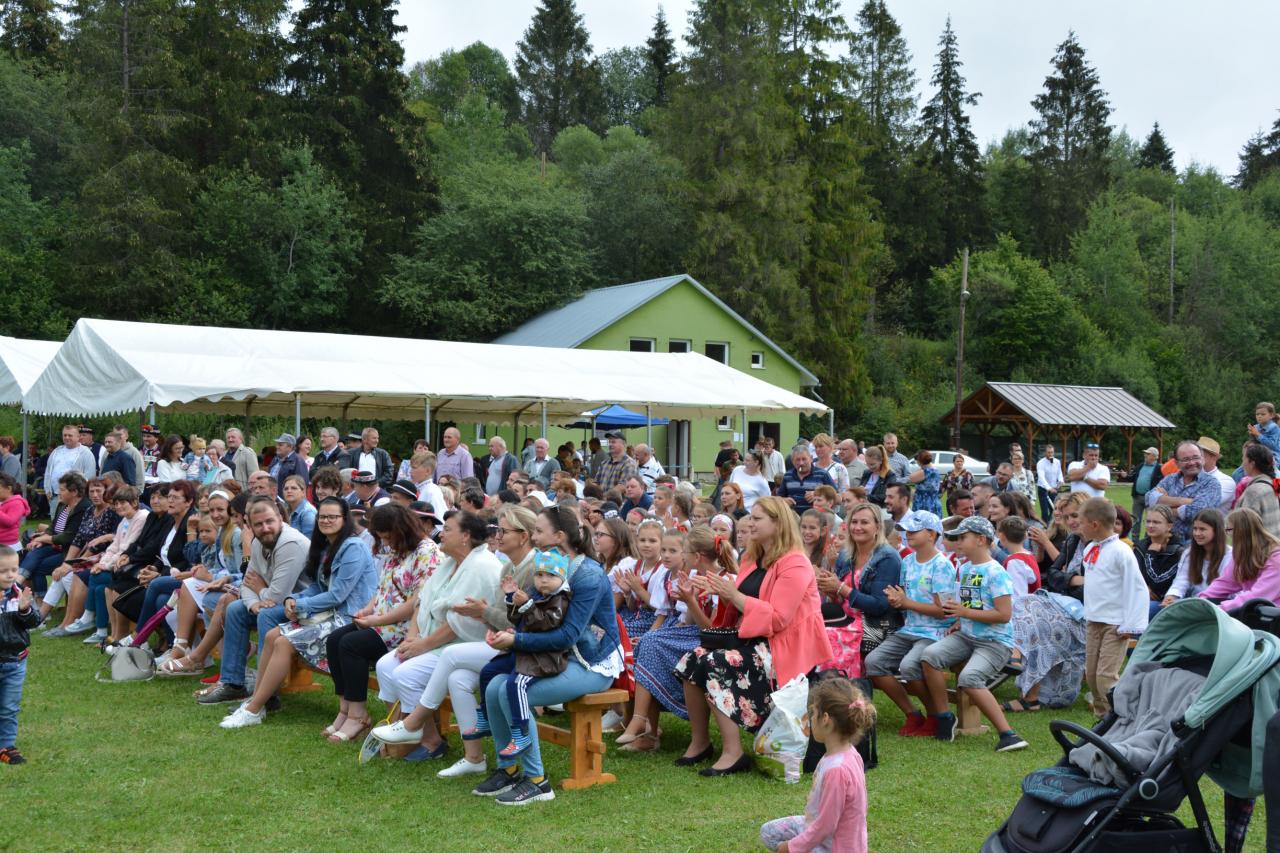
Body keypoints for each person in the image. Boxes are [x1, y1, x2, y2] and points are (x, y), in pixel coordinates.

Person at [470, 505, 622, 803]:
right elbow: (530, 615)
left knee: (511, 693)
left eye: (539, 531)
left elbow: (568, 635)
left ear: (560, 536)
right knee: (494, 687)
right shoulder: (547, 565)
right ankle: (508, 769)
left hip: (591, 664)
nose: (534, 536)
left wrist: (516, 641)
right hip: (558, 656)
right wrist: (507, 632)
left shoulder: (588, 575)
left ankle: (538, 782)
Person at [676, 497, 832, 775]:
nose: (750, 522)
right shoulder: (752, 557)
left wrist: (732, 594)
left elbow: (778, 618)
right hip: (753, 640)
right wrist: (719, 592)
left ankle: (733, 753)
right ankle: (700, 742)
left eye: (757, 518)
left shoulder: (796, 563)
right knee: (693, 658)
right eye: (750, 517)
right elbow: (743, 603)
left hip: (783, 649)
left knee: (714, 663)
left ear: (778, 523)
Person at [219, 497, 377, 728]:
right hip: (329, 615)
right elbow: (318, 587)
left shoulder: (353, 547)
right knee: (272, 635)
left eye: (333, 517)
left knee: (283, 642)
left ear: (345, 520)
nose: (326, 521)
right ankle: (256, 702)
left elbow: (338, 595)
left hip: (350, 619)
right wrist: (294, 599)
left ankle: (254, 709)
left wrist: (301, 606)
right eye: (322, 516)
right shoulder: (325, 546)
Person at [370, 511, 501, 761]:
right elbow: (422, 600)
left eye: (448, 529)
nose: (441, 534)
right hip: (433, 639)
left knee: (406, 674)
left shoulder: (482, 567)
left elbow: (459, 622)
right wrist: (412, 638)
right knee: (385, 666)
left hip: (464, 643)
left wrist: (423, 645)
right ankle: (409, 735)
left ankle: (426, 739)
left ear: (466, 536)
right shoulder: (450, 562)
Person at [317, 504, 438, 741]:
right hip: (383, 622)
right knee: (335, 640)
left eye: (388, 537)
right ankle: (345, 709)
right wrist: (368, 609)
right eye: (382, 538)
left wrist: (378, 619)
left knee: (351, 645)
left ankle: (358, 715)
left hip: (406, 627)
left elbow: (416, 603)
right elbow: (384, 587)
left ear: (402, 530)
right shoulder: (398, 548)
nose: (386, 543)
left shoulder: (427, 552)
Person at [920, 516, 1027, 751]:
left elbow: (1004, 615)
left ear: (980, 540)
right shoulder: (965, 568)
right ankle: (944, 718)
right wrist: (959, 619)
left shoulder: (996, 573)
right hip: (967, 636)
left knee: (969, 678)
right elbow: (971, 603)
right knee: (929, 656)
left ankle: (1009, 735)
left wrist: (964, 613)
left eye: (962, 537)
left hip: (994, 642)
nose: (957, 542)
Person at [196, 496, 310, 706]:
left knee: (266, 614)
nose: (265, 528)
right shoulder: (258, 542)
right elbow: (246, 584)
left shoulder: (291, 543)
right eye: (258, 524)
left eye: (269, 521)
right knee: (236, 609)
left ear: (280, 518)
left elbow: (277, 597)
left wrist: (259, 590)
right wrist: (253, 603)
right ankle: (232, 684)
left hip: (302, 608)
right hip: (274, 605)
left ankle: (266, 694)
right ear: (250, 525)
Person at [470, 549, 572, 757]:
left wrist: (526, 604)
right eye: (539, 575)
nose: (544, 580)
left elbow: (546, 623)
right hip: (524, 652)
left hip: (544, 658)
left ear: (562, 578)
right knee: (488, 671)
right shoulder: (536, 595)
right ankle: (485, 717)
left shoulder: (560, 599)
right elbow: (517, 620)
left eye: (551, 575)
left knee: (516, 684)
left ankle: (521, 733)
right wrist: (511, 598)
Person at [865, 510, 956, 736]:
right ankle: (913, 714)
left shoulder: (942, 565)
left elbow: (944, 612)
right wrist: (897, 600)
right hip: (909, 629)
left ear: (932, 535)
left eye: (914, 531)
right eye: (906, 530)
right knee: (873, 663)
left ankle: (936, 716)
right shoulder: (907, 561)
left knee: (908, 666)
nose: (907, 535)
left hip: (934, 632)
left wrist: (906, 602)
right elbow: (905, 597)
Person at [759, 678, 872, 853]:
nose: (810, 718)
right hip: (824, 831)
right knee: (769, 832)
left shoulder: (837, 770)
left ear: (825, 719)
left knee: (786, 846)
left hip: (835, 847)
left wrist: (792, 847)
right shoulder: (847, 753)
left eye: (813, 712)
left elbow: (825, 826)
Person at [1076, 497, 1148, 718]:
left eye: (1081, 522)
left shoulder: (1121, 552)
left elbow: (1136, 588)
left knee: (1105, 677)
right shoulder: (1091, 549)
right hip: (1094, 620)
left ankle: (1121, 717)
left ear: (1094, 524)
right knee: (1091, 674)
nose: (1078, 526)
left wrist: (1130, 624)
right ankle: (1102, 718)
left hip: (1115, 624)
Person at [21, 472, 92, 596]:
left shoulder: (84, 508)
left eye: (62, 490)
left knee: (38, 567)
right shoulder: (63, 505)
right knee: (32, 551)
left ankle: (38, 599)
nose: (59, 493)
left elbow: (68, 537)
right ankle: (20, 579)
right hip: (55, 546)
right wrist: (41, 539)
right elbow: (52, 527)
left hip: (70, 551)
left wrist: (43, 539)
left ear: (74, 492)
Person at [1197, 507, 1280, 610]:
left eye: (1229, 530)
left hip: (1272, 613)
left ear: (1241, 531)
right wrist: (1201, 601)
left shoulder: (1276, 558)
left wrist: (1219, 609)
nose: (1227, 535)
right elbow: (1225, 583)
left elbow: (1258, 596)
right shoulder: (1242, 553)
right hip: (1253, 609)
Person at [0, 546, 38, 765]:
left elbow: (34, 622)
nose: (10, 575)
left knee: (9, 707)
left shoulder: (20, 593)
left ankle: (6, 745)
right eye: (3, 571)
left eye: (14, 570)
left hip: (16, 661)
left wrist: (25, 609)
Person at [1146, 441, 1223, 541]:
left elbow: (1198, 512)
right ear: (1177, 463)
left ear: (1202, 459)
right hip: (1161, 543)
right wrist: (1184, 501)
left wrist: (1163, 505)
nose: (1191, 463)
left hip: (1192, 546)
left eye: (1195, 457)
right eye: (1186, 459)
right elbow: (1149, 498)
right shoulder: (1170, 479)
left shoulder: (1212, 484)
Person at [613, 517, 663, 640]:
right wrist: (627, 593)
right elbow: (634, 608)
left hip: (655, 620)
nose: (646, 544)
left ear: (662, 543)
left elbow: (660, 609)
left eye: (652, 541)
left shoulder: (663, 570)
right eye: (642, 540)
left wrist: (639, 589)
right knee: (606, 626)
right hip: (638, 615)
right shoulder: (636, 566)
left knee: (618, 632)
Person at [1132, 504, 1183, 621]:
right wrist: (1143, 588)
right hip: (1140, 595)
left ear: (1169, 526)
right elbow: (1132, 575)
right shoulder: (1140, 546)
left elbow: (1158, 581)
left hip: (1163, 602)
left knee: (1145, 609)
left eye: (1156, 522)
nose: (1150, 525)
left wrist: (1151, 554)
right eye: (1148, 521)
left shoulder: (1178, 551)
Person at [44, 425, 97, 517]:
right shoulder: (56, 451)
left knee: (70, 522)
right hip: (55, 497)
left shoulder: (86, 453)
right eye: (65, 435)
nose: (67, 438)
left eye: (70, 435)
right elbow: (48, 472)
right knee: (56, 523)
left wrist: (80, 495)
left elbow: (90, 476)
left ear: (78, 437)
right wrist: (47, 490)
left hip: (74, 498)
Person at [1236, 443, 1280, 539]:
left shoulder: (1253, 491)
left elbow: (1245, 528)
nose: (1242, 464)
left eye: (1243, 459)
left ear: (1252, 463)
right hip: (1274, 541)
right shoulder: (1274, 482)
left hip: (1261, 545)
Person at [998, 516, 1040, 595]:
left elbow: (1017, 595)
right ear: (1025, 535)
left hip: (1024, 602)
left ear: (1002, 536)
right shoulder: (1028, 555)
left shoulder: (1014, 562)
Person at [1197, 436, 1237, 514]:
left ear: (1214, 457)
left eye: (1200, 455)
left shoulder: (1226, 481)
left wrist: (1179, 500)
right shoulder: (1189, 477)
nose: (1195, 459)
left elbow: (1205, 504)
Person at [1129, 447, 1162, 539]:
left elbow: (1161, 483)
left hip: (1150, 499)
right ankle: (1134, 540)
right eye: (1145, 453)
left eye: (1148, 454)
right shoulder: (1140, 466)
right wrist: (1125, 476)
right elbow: (1132, 477)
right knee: (1136, 519)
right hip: (1137, 497)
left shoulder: (1159, 468)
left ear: (1154, 457)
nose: (1145, 455)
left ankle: (1147, 540)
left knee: (1150, 520)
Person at [907, 451, 942, 516]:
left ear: (920, 461)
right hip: (934, 501)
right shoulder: (935, 470)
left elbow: (911, 478)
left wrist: (921, 467)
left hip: (924, 502)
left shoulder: (926, 471)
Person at [0, 474, 29, 550]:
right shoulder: (1, 502)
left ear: (9, 488)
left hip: (9, 546)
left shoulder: (17, 503)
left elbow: (10, 521)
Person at [1035, 445, 1063, 521]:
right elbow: (1041, 477)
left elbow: (1059, 473)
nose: (1050, 454)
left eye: (1052, 452)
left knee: (1054, 509)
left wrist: (1061, 481)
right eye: (1049, 452)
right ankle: (1044, 526)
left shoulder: (1057, 462)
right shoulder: (1040, 463)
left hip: (1054, 489)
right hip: (1043, 489)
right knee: (1044, 512)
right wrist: (1049, 488)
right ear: (1045, 453)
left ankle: (1051, 525)